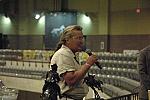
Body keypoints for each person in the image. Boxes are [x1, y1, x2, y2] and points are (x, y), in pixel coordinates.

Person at [50, 25, 97, 100]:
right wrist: (88, 64)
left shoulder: (73, 54)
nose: (81, 41)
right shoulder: (63, 54)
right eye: (78, 38)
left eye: (82, 38)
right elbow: (71, 80)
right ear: (67, 40)